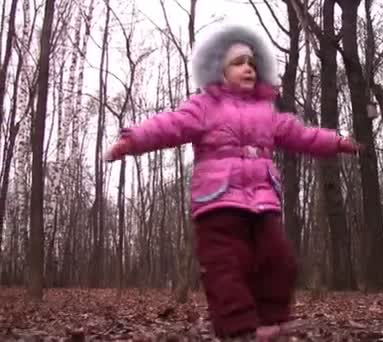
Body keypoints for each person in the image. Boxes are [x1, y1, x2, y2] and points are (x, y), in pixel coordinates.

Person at [104, 23, 359, 341]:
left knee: (279, 260)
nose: (248, 69)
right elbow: (169, 125)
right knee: (225, 267)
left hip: (262, 202)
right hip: (218, 203)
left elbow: (301, 135)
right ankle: (236, 328)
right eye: (238, 63)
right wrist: (133, 141)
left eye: (252, 63)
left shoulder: (268, 112)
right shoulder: (203, 106)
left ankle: (269, 321)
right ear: (220, 71)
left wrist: (336, 142)